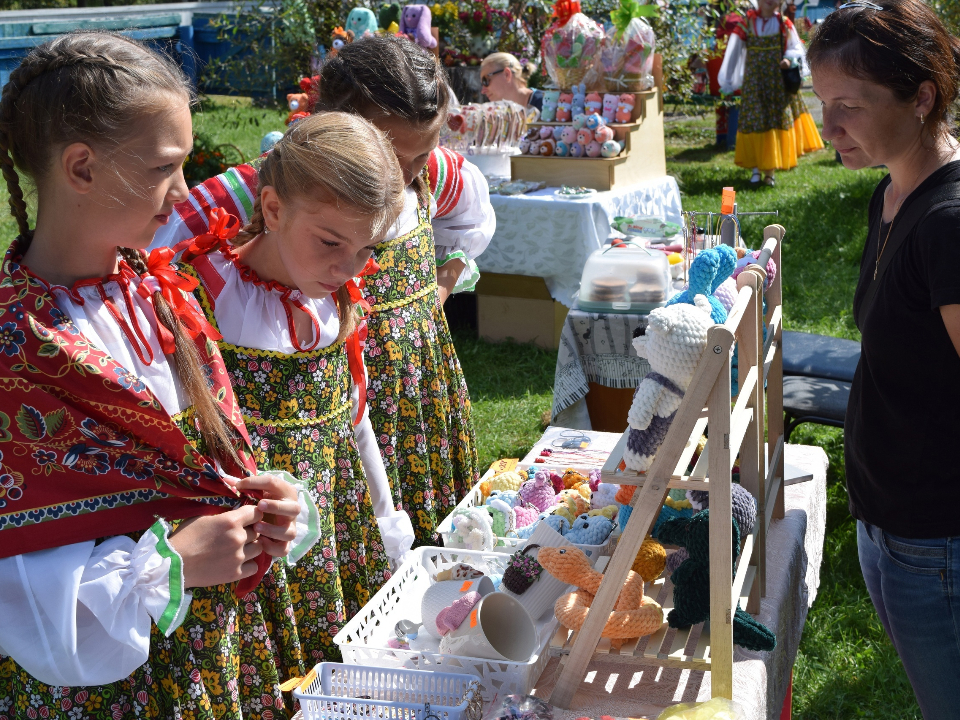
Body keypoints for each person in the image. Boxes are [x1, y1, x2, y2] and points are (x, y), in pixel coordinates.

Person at [0, 32, 314, 718]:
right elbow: (16, 576)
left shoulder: (153, 290)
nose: (181, 193)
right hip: (107, 688)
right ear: (80, 167)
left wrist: (262, 500)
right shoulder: (15, 347)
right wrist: (164, 568)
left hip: (207, 650)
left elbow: (194, 455)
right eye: (163, 168)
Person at [159, 35, 496, 545]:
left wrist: (438, 289)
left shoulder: (432, 176)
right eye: (386, 152)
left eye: (419, 158)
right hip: (317, 408)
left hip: (412, 392)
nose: (402, 177)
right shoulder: (258, 193)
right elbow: (155, 258)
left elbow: (472, 218)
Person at [169, 111, 414, 668]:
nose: (347, 266)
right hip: (245, 546)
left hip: (329, 526)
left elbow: (356, 420)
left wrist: (387, 520)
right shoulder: (203, 296)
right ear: (274, 208)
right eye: (330, 242)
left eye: (365, 248)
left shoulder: (337, 302)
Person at [808, 2, 960, 717]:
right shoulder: (892, 194)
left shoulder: (949, 223)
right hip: (885, 520)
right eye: (821, 104)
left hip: (936, 539)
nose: (827, 127)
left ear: (921, 96)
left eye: (848, 106)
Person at [718, 0, 824, 185]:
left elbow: (795, 48)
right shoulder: (747, 23)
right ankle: (755, 169)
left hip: (776, 85)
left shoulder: (784, 24)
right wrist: (728, 79)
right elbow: (734, 51)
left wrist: (789, 60)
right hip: (754, 84)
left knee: (773, 121)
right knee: (755, 121)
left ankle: (770, 172)